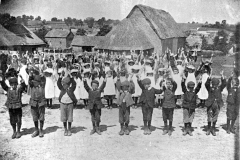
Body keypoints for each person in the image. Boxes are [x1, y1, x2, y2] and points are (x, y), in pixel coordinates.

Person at [205, 71, 226, 136]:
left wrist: (222, 76)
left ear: (218, 84)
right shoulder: (210, 88)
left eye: (216, 84)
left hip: (217, 104)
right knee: (209, 116)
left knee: (215, 116)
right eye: (213, 84)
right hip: (210, 104)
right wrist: (209, 77)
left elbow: (224, 84)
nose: (215, 85)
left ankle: (213, 128)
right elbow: (206, 84)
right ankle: (208, 128)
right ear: (212, 84)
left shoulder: (220, 88)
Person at [57, 72, 77, 136]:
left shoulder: (71, 89)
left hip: (70, 104)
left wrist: (71, 78)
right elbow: (58, 83)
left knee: (70, 117)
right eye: (64, 84)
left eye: (66, 84)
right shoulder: (62, 89)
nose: (65, 85)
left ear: (69, 84)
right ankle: (65, 129)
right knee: (64, 117)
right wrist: (60, 77)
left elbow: (74, 84)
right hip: (63, 104)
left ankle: (69, 129)